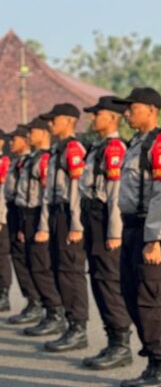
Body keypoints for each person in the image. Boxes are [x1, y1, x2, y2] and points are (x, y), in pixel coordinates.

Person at [115, 87, 161, 387]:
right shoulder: (135, 144)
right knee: (132, 296)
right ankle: (154, 363)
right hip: (131, 228)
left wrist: (154, 238)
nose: (127, 112)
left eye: (133, 107)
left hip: (149, 229)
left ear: (152, 110)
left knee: (151, 299)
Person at [80, 96, 134, 370]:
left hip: (104, 220)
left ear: (112, 117)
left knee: (109, 281)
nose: (92, 118)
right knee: (99, 280)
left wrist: (114, 232)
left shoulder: (114, 148)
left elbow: (115, 194)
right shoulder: (97, 147)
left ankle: (121, 344)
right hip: (92, 218)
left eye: (97, 113)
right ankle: (112, 340)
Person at [36, 103, 90, 352]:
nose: (50, 124)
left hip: (69, 216)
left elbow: (77, 190)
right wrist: (45, 224)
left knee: (71, 273)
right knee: (60, 271)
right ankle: (69, 324)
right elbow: (48, 193)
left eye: (53, 119)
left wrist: (76, 224)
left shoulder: (74, 149)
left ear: (68, 121)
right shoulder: (57, 150)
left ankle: (78, 328)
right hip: (56, 214)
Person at [18, 117, 67, 337]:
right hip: (27, 215)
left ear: (43, 134)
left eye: (32, 131)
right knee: (32, 265)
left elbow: (46, 195)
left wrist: (43, 225)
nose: (29, 136)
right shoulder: (34, 158)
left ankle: (55, 314)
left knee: (41, 268)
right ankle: (47, 311)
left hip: (40, 214)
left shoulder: (46, 159)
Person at [6, 125, 45, 324]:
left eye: (15, 139)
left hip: (32, 213)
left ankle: (38, 303)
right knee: (20, 259)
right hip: (17, 211)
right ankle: (32, 301)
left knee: (33, 262)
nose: (11, 143)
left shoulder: (36, 160)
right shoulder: (21, 161)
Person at [0, 132, 13, 311]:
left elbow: (3, 193)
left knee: (1, 256)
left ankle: (4, 294)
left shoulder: (4, 162)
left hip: (1, 214)